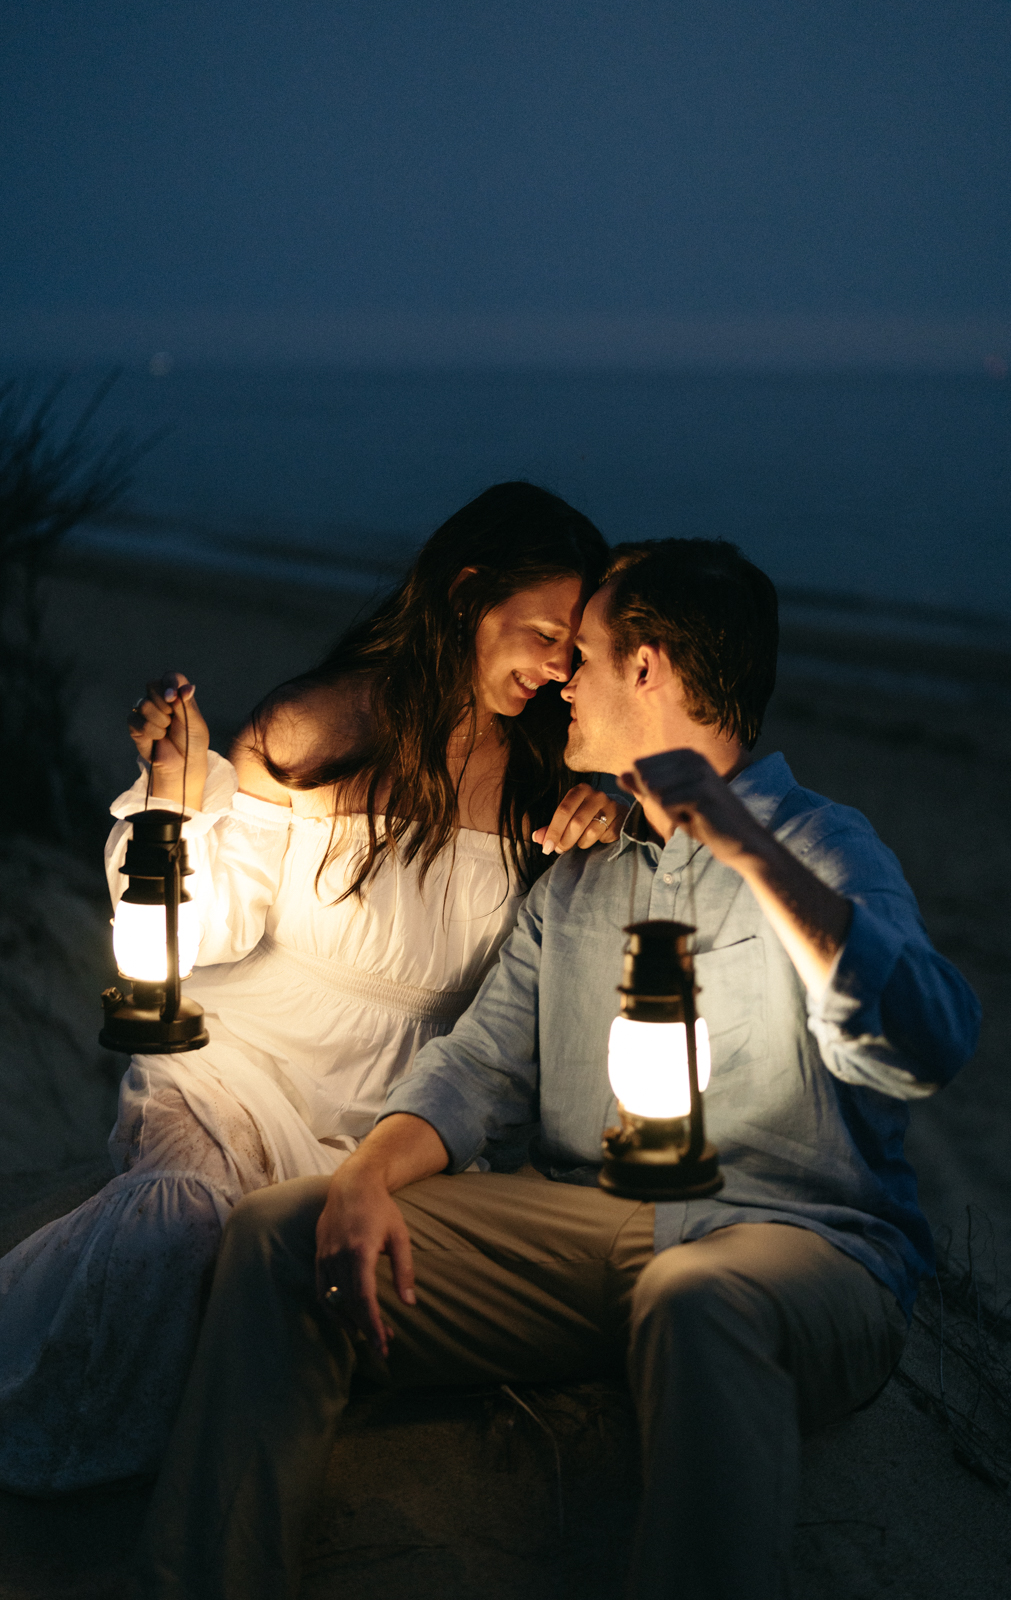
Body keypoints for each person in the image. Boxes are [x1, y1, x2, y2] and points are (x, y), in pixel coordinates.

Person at [139, 536, 981, 1600]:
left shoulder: (819, 843)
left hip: (799, 1241)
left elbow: (927, 1038)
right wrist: (360, 1175)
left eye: (582, 655)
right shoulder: (578, 880)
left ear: (647, 668)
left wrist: (744, 847)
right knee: (280, 1234)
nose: (561, 684)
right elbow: (476, 1066)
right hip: (593, 1225)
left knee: (698, 1296)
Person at [0, 482, 617, 1495]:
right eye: (542, 634)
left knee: (340, 1296)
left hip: (406, 1125)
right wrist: (172, 807)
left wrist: (599, 816)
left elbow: (547, 987)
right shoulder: (317, 725)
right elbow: (207, 926)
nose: (558, 667)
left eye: (574, 649)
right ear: (468, 591)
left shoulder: (538, 775)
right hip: (238, 1077)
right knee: (181, 1228)